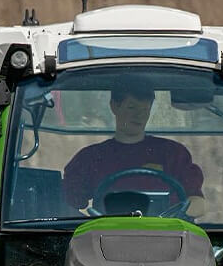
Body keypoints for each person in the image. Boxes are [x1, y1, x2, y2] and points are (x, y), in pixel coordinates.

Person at [63, 79, 207, 219]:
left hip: (169, 238)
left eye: (145, 109)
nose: (139, 115)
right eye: (132, 107)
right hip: (106, 238)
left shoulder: (173, 153)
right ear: (114, 106)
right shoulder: (91, 157)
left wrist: (178, 216)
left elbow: (198, 203)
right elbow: (63, 203)